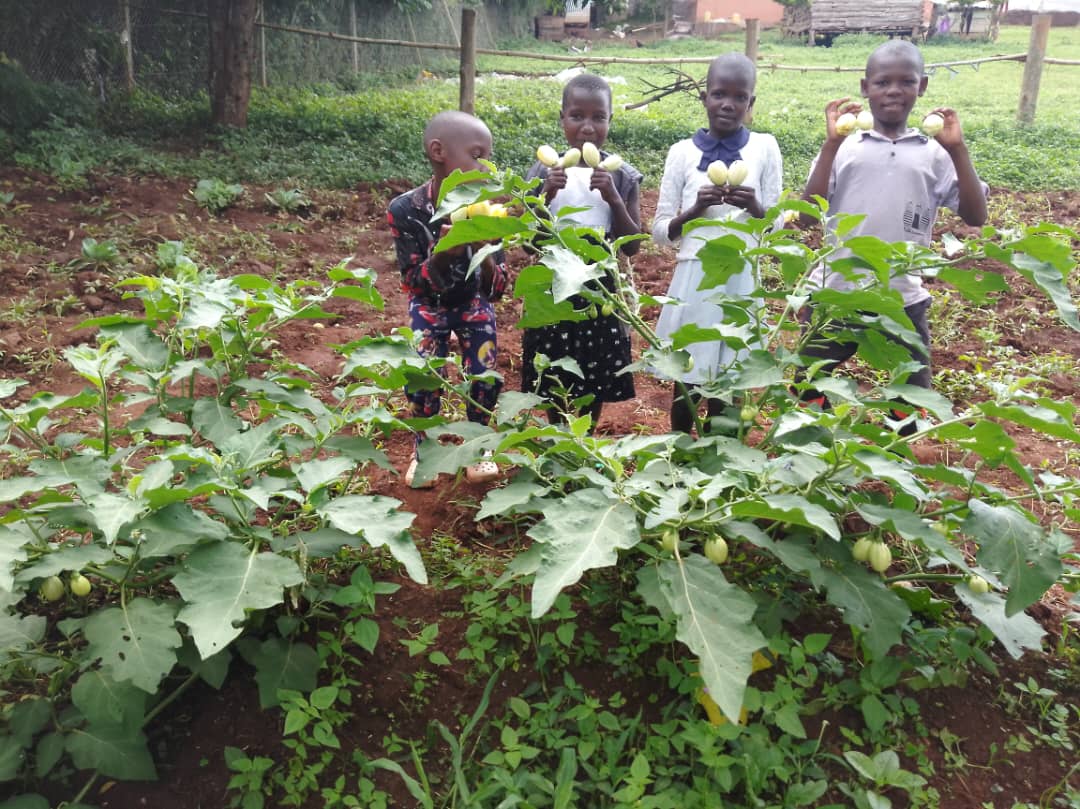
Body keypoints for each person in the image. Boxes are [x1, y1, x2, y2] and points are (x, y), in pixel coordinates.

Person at [798, 39, 988, 434]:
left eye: (906, 82)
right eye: (883, 82)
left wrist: (959, 150)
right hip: (837, 290)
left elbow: (976, 215)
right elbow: (804, 217)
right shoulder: (845, 146)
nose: (894, 91)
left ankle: (894, 454)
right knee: (810, 382)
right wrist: (830, 144)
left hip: (900, 295)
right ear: (866, 87)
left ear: (923, 87)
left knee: (912, 391)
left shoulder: (935, 152)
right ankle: (814, 448)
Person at [652, 53, 783, 433]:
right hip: (694, 277)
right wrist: (694, 211)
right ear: (704, 98)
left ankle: (720, 455)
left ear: (750, 103)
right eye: (718, 94)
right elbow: (661, 231)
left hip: (741, 277)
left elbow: (775, 226)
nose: (728, 103)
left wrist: (756, 208)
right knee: (687, 376)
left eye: (739, 97)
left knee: (730, 379)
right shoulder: (681, 153)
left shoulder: (764, 148)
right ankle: (680, 448)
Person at [387, 110, 508, 487]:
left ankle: (478, 444)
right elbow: (412, 281)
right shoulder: (406, 210)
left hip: (472, 300)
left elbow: (498, 289)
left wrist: (484, 252)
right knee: (423, 373)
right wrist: (444, 252)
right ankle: (425, 450)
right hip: (429, 304)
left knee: (485, 370)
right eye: (477, 155)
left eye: (488, 156)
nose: (486, 167)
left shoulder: (487, 207)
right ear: (438, 152)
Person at [522, 72, 644, 430]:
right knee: (552, 363)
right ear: (562, 120)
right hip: (552, 283)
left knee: (596, 367)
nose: (587, 127)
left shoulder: (622, 176)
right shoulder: (544, 171)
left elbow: (633, 244)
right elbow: (529, 240)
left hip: (599, 285)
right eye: (577, 116)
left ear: (610, 121)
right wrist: (545, 195)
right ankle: (560, 431)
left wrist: (614, 199)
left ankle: (586, 433)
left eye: (598, 117)